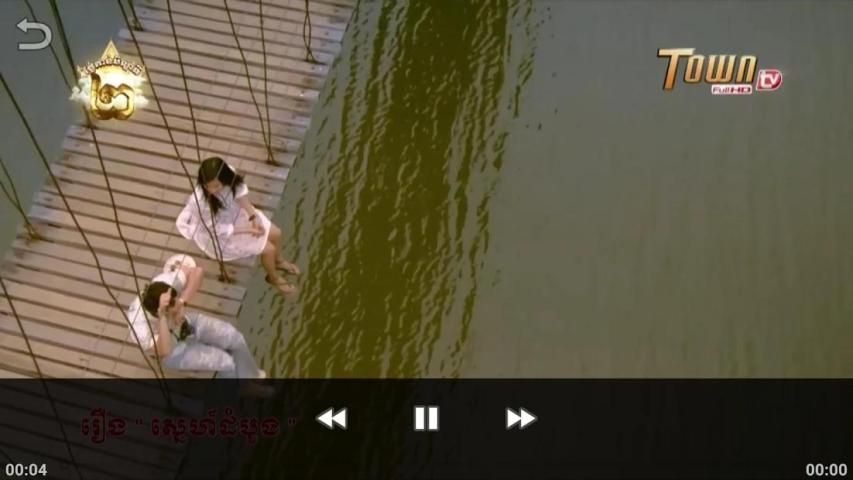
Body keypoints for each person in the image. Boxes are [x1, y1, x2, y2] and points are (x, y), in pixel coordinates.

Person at [127, 254, 267, 381]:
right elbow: (165, 349)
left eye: (174, 299)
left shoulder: (165, 283)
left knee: (235, 337)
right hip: (172, 348)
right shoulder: (140, 328)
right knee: (225, 361)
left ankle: (251, 375)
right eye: (172, 306)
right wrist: (164, 316)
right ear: (157, 313)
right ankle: (244, 389)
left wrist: (181, 303)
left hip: (185, 322)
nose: (175, 304)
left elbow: (197, 272)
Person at [176, 156, 300, 295]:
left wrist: (252, 216)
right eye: (208, 186)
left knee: (276, 233)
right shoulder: (199, 202)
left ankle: (278, 261)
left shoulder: (230, 175)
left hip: (237, 214)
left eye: (217, 185)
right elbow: (215, 229)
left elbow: (240, 195)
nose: (213, 190)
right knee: (268, 249)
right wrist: (248, 229)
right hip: (224, 232)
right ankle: (273, 277)